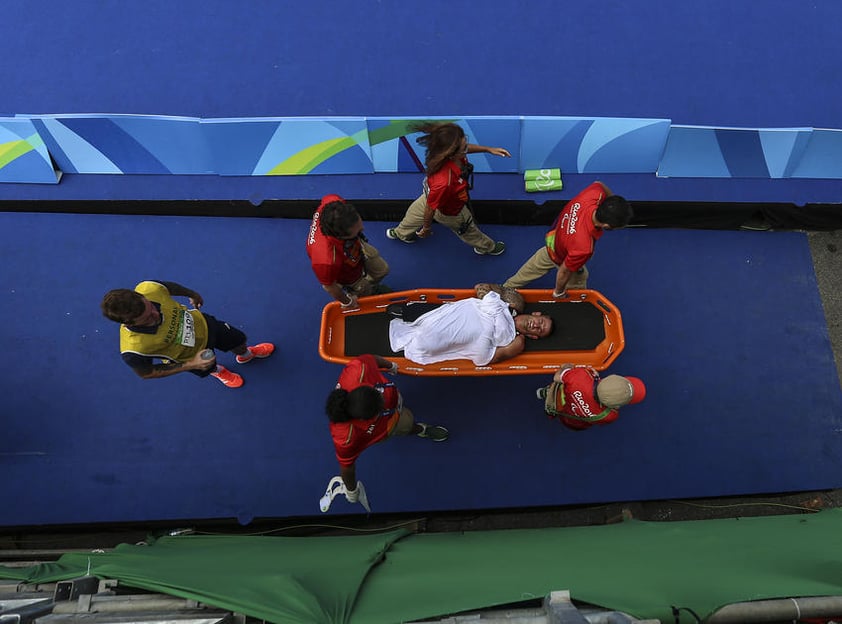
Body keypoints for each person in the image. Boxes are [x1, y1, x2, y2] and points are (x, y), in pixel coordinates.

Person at [101, 280, 274, 389]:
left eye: (151, 307)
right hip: (193, 356)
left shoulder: (149, 288)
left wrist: (192, 294)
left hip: (206, 325)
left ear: (141, 296)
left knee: (238, 340)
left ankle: (246, 355)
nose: (155, 314)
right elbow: (147, 373)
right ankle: (219, 372)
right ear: (129, 323)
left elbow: (168, 287)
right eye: (146, 319)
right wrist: (191, 364)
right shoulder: (133, 349)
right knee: (209, 366)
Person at [326, 354, 449, 501]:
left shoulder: (359, 369)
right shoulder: (345, 437)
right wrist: (351, 490)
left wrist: (390, 365)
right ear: (363, 419)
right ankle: (420, 430)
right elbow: (347, 467)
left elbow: (372, 358)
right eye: (380, 405)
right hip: (388, 425)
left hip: (394, 396)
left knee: (398, 406)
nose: (382, 399)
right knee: (407, 425)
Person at [386, 122, 510, 256]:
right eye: (463, 147)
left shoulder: (441, 152)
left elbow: (465, 149)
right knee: (468, 229)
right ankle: (487, 247)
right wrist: (426, 228)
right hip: (450, 210)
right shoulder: (445, 182)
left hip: (429, 196)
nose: (466, 148)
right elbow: (430, 209)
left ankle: (401, 233)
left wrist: (488, 149)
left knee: (413, 214)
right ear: (451, 153)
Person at [503, 181, 632, 296]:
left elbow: (599, 184)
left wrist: (612, 205)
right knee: (578, 282)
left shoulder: (594, 194)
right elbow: (564, 272)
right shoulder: (584, 248)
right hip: (563, 256)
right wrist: (558, 292)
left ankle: (506, 287)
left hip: (552, 243)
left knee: (528, 271)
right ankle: (575, 302)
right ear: (606, 226)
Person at [388, 290, 552, 366]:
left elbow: (483, 359)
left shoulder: (517, 342)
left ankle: (416, 330)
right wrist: (493, 307)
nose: (537, 326)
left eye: (540, 330)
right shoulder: (514, 301)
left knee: (426, 342)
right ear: (537, 314)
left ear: (534, 336)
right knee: (432, 321)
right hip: (465, 313)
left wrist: (486, 331)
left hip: (473, 336)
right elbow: (482, 287)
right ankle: (412, 317)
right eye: (541, 322)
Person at [307, 193, 390, 310]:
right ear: (340, 236)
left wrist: (356, 236)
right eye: (357, 231)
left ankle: (369, 284)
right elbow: (329, 287)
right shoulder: (326, 261)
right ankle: (363, 291)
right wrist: (348, 302)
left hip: (354, 245)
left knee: (382, 270)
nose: (364, 229)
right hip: (346, 271)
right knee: (363, 288)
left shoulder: (334, 203)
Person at [537, 364, 646, 431]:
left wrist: (568, 368)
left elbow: (557, 377)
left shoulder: (580, 376)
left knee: (556, 389)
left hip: (560, 397)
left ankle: (545, 393)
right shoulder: (610, 416)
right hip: (572, 421)